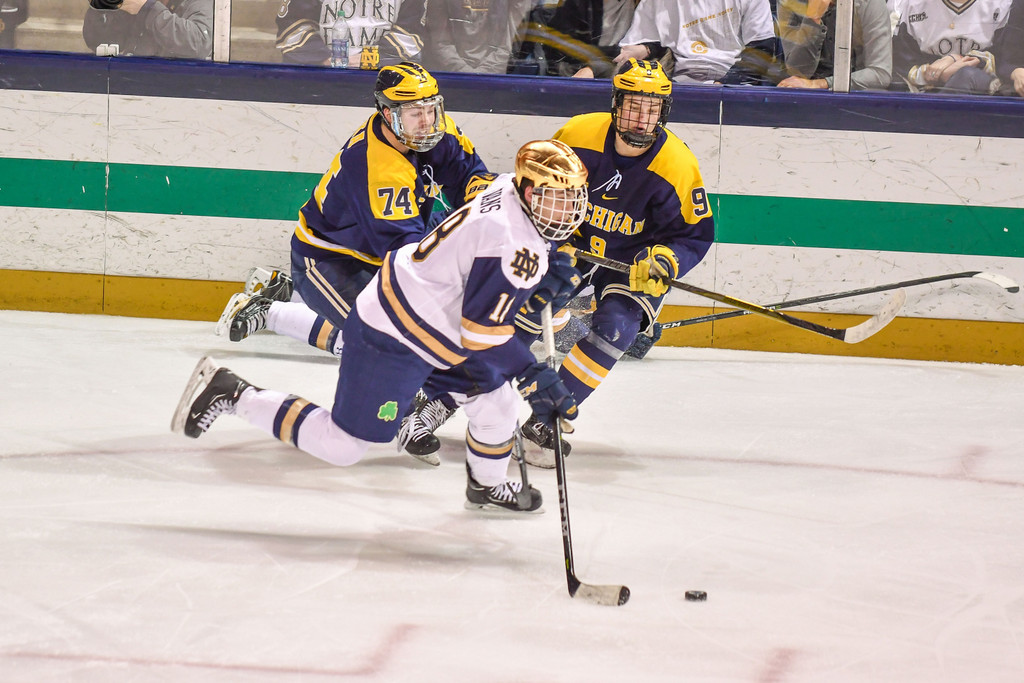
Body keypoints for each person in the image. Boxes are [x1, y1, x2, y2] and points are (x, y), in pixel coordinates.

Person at [172, 139, 588, 514]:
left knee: (497, 405)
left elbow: (481, 282)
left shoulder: (506, 189)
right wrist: (533, 376)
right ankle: (232, 392)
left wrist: (538, 279)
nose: (571, 209)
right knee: (343, 445)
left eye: (575, 198)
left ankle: (486, 485)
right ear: (531, 192)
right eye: (560, 199)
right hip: (395, 332)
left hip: (434, 321)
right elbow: (482, 334)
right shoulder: (512, 242)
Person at [405, 59, 715, 464]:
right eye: (634, 106)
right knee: (518, 319)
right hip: (571, 241)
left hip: (632, 259)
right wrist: (548, 240)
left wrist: (666, 259)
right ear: (616, 103)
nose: (642, 119)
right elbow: (535, 190)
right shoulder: (578, 134)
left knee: (618, 328)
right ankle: (437, 402)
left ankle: (544, 421)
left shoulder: (676, 164)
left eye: (652, 109)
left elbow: (694, 233)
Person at [216, 63, 494, 457]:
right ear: (387, 114)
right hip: (330, 260)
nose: (427, 121)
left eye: (431, 108)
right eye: (415, 113)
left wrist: (485, 212)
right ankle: (401, 412)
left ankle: (271, 309)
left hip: (392, 239)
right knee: (381, 339)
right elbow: (409, 261)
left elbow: (471, 174)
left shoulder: (431, 131)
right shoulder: (378, 165)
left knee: (388, 337)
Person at [607, 0, 782, 85]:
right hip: (677, 83)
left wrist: (724, 84)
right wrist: (645, 49)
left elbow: (761, 49)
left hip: (737, 85)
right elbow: (653, 40)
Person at [890, 0, 1013, 94]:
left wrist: (956, 59)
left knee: (967, 75)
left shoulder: (1004, 5)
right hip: (923, 96)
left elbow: (1009, 62)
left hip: (984, 98)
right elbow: (899, 63)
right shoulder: (905, 4)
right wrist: (937, 74)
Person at [777, 0, 893, 90]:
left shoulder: (869, 3)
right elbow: (798, 72)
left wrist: (821, 83)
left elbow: (881, 73)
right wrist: (813, 19)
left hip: (858, 99)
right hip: (808, 100)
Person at [276, 0, 425, 67]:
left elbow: (411, 31)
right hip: (321, 75)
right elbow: (292, 27)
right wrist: (325, 60)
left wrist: (369, 58)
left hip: (385, 75)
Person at [424, 0, 534, 73]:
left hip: (500, 77)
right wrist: (465, 72)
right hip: (451, 76)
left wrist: (484, 73)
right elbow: (440, 42)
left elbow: (511, 45)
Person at [82, 0, 213, 59]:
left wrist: (148, 9)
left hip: (181, 91)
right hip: (134, 87)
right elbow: (98, 41)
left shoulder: (199, 3)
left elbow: (200, 43)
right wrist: (102, 8)